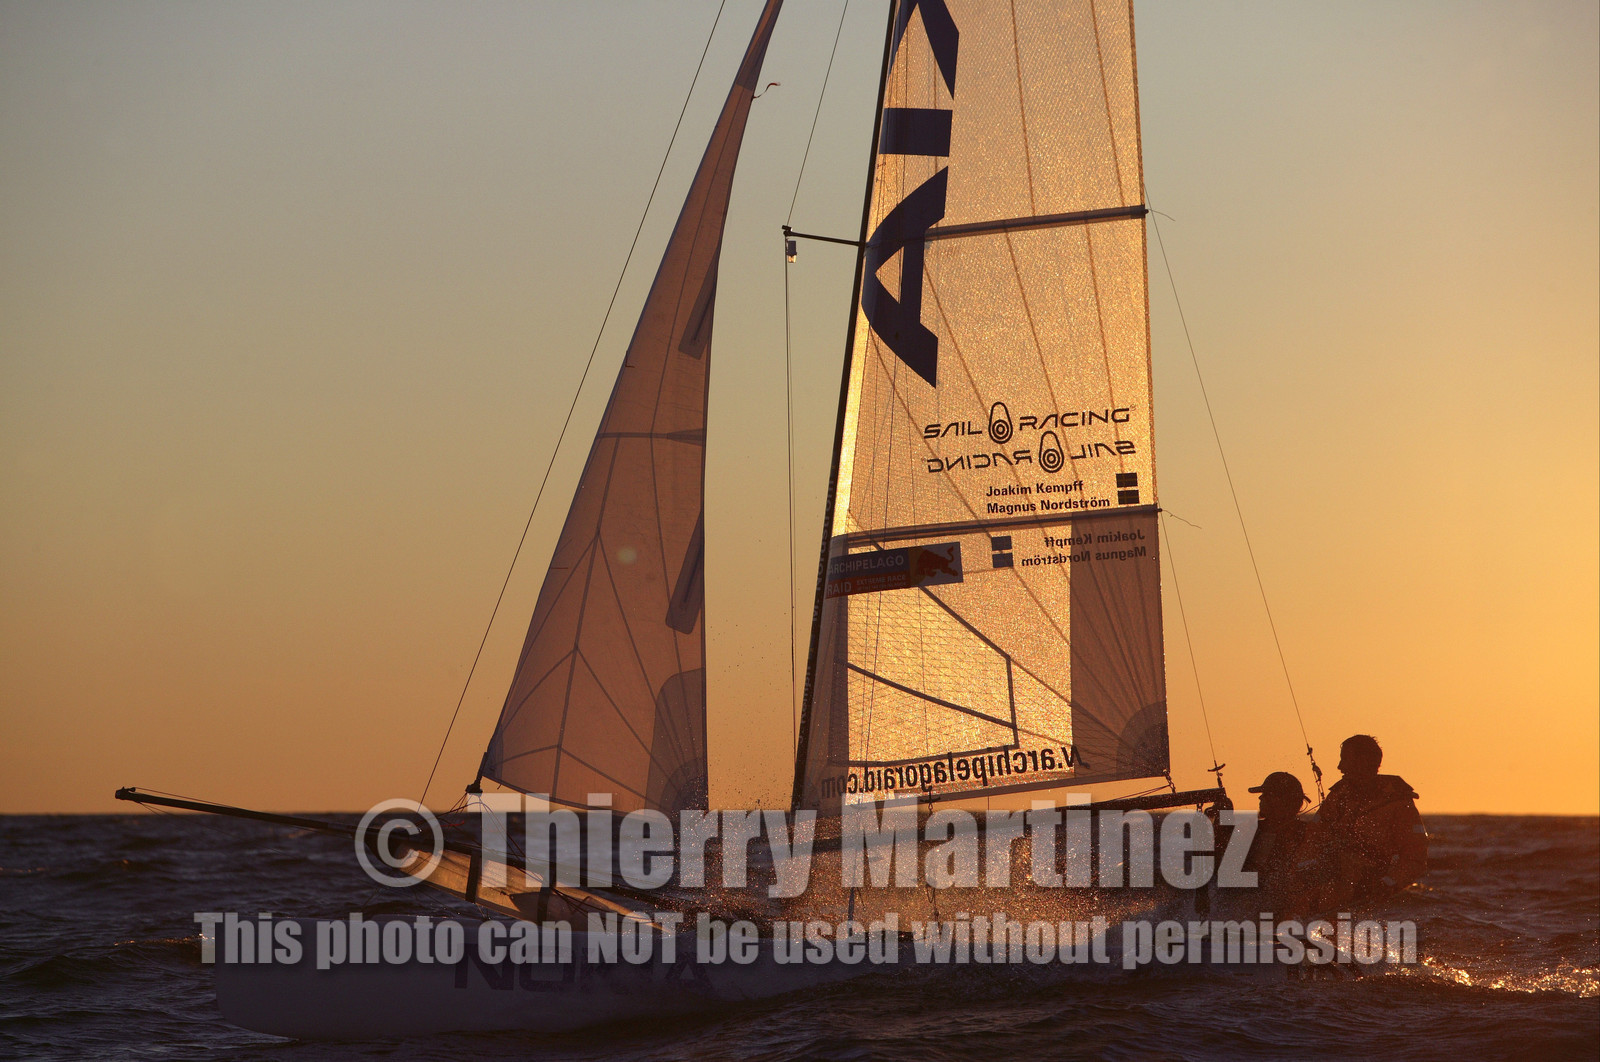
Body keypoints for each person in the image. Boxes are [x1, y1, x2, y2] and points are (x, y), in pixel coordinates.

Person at [1315, 734, 1427, 905]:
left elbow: (1415, 858)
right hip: (1328, 888)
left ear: (1364, 761)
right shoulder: (1339, 796)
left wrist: (1387, 883)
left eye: (1346, 759)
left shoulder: (1397, 802)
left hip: (1368, 893)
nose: (1340, 767)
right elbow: (1311, 838)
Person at [1243, 771, 1313, 914]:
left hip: (1278, 909)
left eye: (1267, 794)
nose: (1260, 797)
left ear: (1282, 801)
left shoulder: (1306, 835)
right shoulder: (1250, 830)